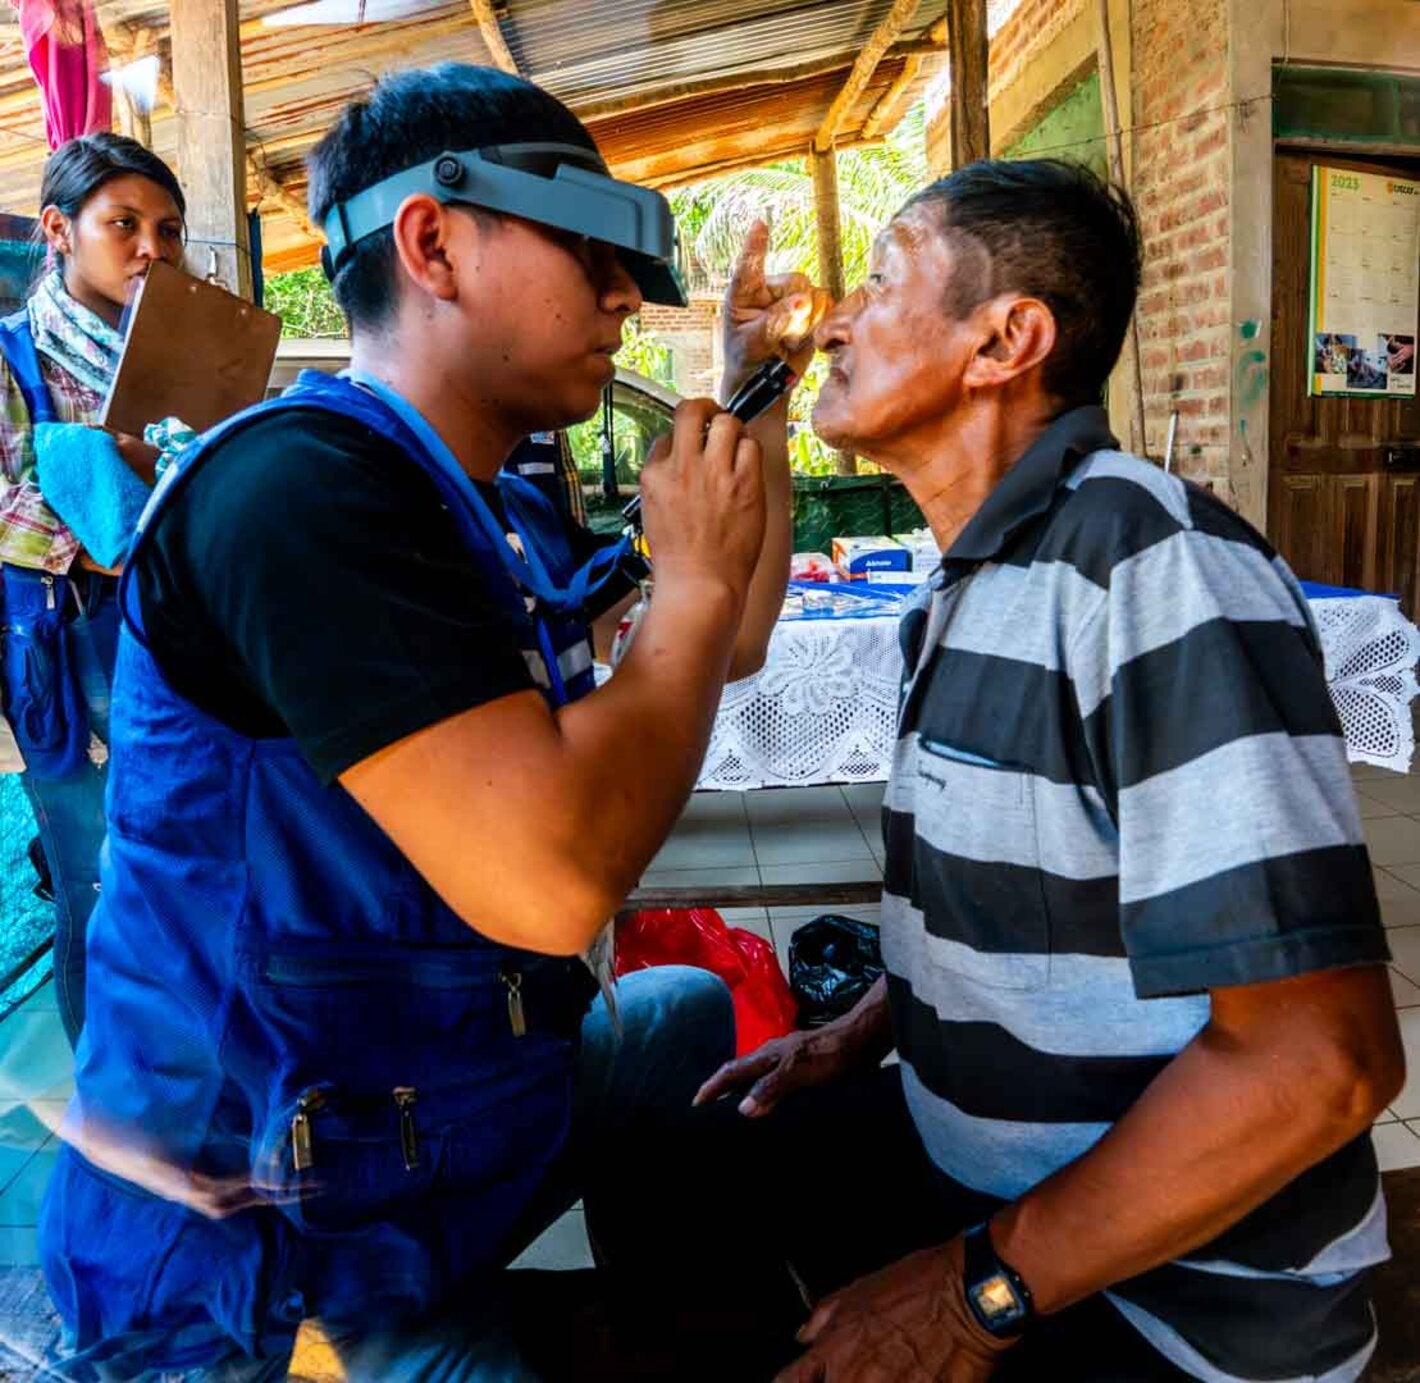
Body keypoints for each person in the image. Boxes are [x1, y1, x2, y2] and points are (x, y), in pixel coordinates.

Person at [39, 64, 819, 1380]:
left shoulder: (486, 503)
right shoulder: (299, 493)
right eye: (589, 247)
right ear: (434, 240)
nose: (626, 294)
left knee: (681, 1014)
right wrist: (684, 579)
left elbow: (722, 643)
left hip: (420, 1127)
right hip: (260, 1244)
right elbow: (550, 883)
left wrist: (756, 396)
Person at [675, 159, 1406, 1382]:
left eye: (880, 280)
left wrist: (976, 1297)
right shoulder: (975, 581)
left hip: (1179, 1304)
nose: (834, 320)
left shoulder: (1151, 572)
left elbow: (1317, 1062)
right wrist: (862, 1028)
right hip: (997, 1178)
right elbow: (1041, 904)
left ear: (1005, 340)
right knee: (701, 1148)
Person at [0, 133, 184, 1047]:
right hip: (67, 656)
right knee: (92, 878)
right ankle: (104, 1106)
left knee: (183, 866)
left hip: (177, 643)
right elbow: (6, 516)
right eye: (124, 224)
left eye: (169, 230)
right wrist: (121, 480)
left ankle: (179, 1085)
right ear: (57, 230)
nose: (152, 247)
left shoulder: (185, 361)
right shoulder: (11, 359)